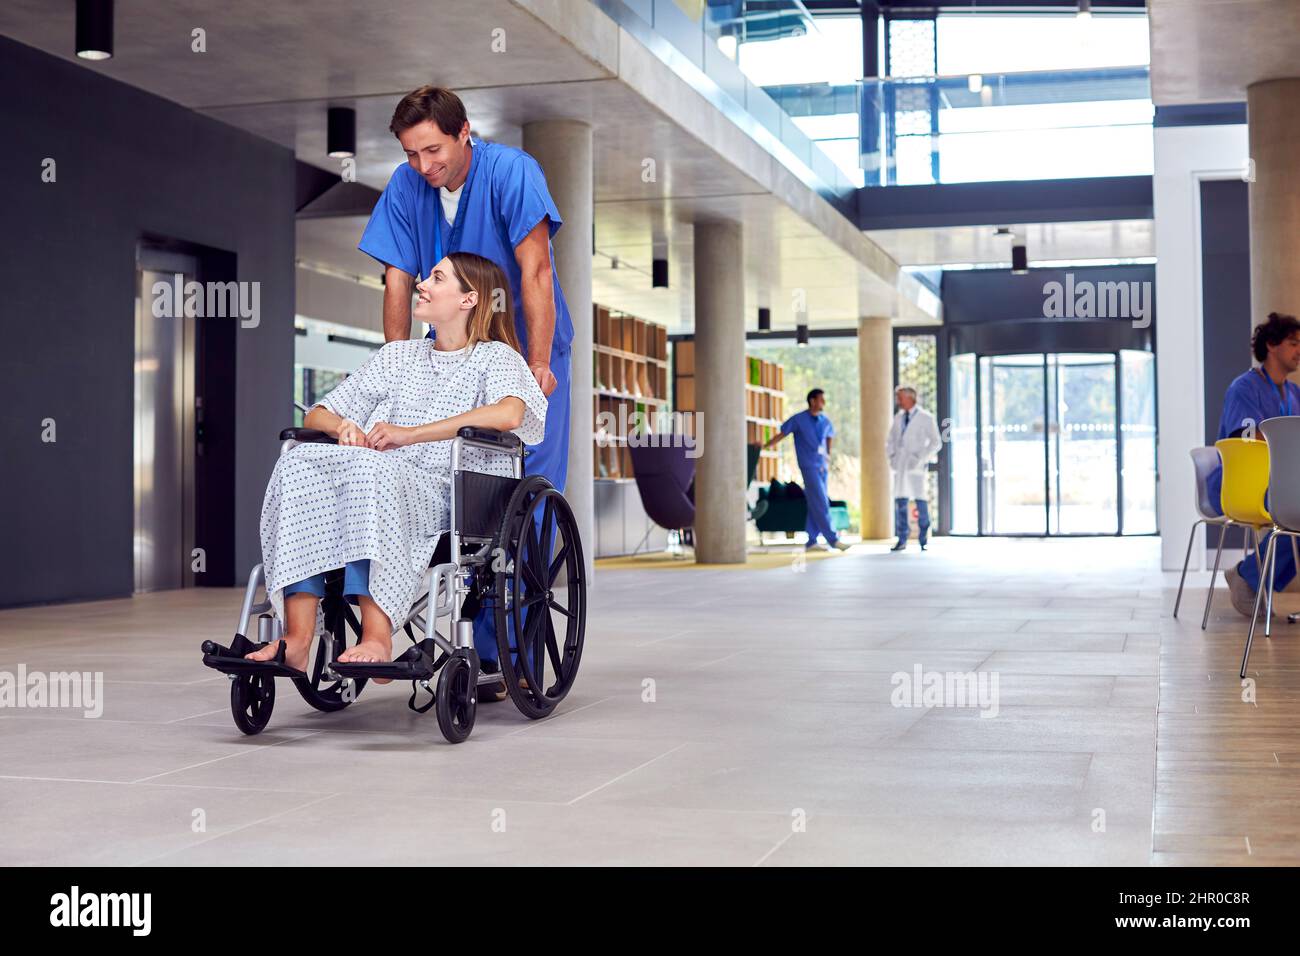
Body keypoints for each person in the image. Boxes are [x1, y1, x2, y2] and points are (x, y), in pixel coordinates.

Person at [357, 86, 571, 694]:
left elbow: (536, 270)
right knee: (438, 473)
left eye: (433, 150)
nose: (425, 167)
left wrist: (535, 364)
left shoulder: (512, 174)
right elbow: (397, 279)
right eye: (411, 154)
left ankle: (507, 652)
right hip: (448, 356)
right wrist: (399, 366)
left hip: (524, 354)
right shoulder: (406, 186)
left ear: (464, 132)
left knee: (517, 497)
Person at [245, 252, 547, 680]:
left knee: (372, 470)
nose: (422, 284)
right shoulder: (396, 357)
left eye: (437, 278)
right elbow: (316, 414)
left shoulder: (495, 358)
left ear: (469, 299)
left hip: (449, 493)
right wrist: (343, 425)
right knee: (300, 461)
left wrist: (411, 433)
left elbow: (509, 415)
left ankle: (376, 635)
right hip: (377, 481)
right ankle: (296, 640)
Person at [1215, 312, 1300, 617]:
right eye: (1293, 342)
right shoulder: (1244, 387)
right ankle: (1248, 576)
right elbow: (1246, 436)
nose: (1299, 350)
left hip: (1281, 483)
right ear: (1272, 345)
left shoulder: (1293, 392)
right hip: (1243, 483)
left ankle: (1249, 575)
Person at [763, 389, 849, 551]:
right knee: (821, 502)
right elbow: (782, 434)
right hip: (808, 466)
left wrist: (828, 458)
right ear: (812, 401)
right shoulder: (799, 419)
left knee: (813, 502)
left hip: (822, 467)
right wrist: (764, 446)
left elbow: (829, 438)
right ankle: (833, 539)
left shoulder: (825, 421)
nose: (823, 403)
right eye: (821, 399)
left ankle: (811, 541)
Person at [886, 386, 942, 552]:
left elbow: (936, 442)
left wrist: (920, 458)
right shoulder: (898, 418)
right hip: (900, 465)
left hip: (916, 465)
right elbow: (890, 440)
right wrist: (892, 457)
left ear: (911, 398)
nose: (898, 401)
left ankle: (923, 537)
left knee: (920, 500)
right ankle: (902, 538)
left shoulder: (925, 417)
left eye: (900, 398)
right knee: (900, 501)